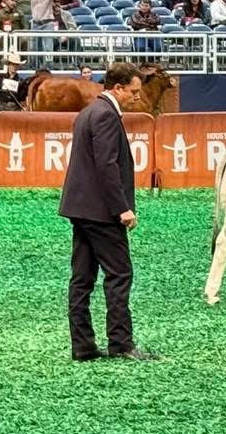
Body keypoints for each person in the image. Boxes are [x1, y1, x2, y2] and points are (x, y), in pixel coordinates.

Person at [59, 62, 156, 362]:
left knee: (82, 278)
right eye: (133, 91)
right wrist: (122, 209)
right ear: (117, 88)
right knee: (119, 274)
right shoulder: (106, 115)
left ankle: (83, 346)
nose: (136, 98)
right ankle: (121, 343)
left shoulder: (89, 112)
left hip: (81, 208)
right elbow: (106, 165)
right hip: (102, 211)